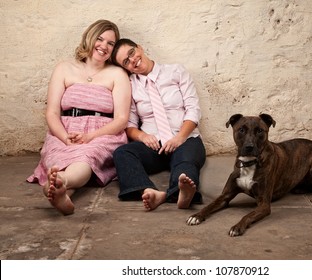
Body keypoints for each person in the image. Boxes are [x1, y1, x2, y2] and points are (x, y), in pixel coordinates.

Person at [27, 20, 132, 215]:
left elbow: (121, 119)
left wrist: (91, 136)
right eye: (100, 39)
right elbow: (52, 112)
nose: (104, 46)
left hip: (103, 133)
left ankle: (61, 181)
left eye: (110, 43)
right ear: (89, 38)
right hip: (64, 129)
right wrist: (64, 137)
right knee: (58, 158)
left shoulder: (117, 74)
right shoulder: (64, 68)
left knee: (86, 158)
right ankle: (61, 192)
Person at [111, 38, 206, 211]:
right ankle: (150, 192)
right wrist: (142, 136)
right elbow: (130, 124)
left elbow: (193, 110)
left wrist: (180, 138)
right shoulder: (131, 85)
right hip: (154, 145)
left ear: (139, 47)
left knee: (185, 162)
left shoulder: (176, 71)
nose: (132, 60)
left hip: (185, 138)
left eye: (132, 53)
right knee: (122, 153)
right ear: (125, 68)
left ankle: (181, 193)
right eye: (126, 61)